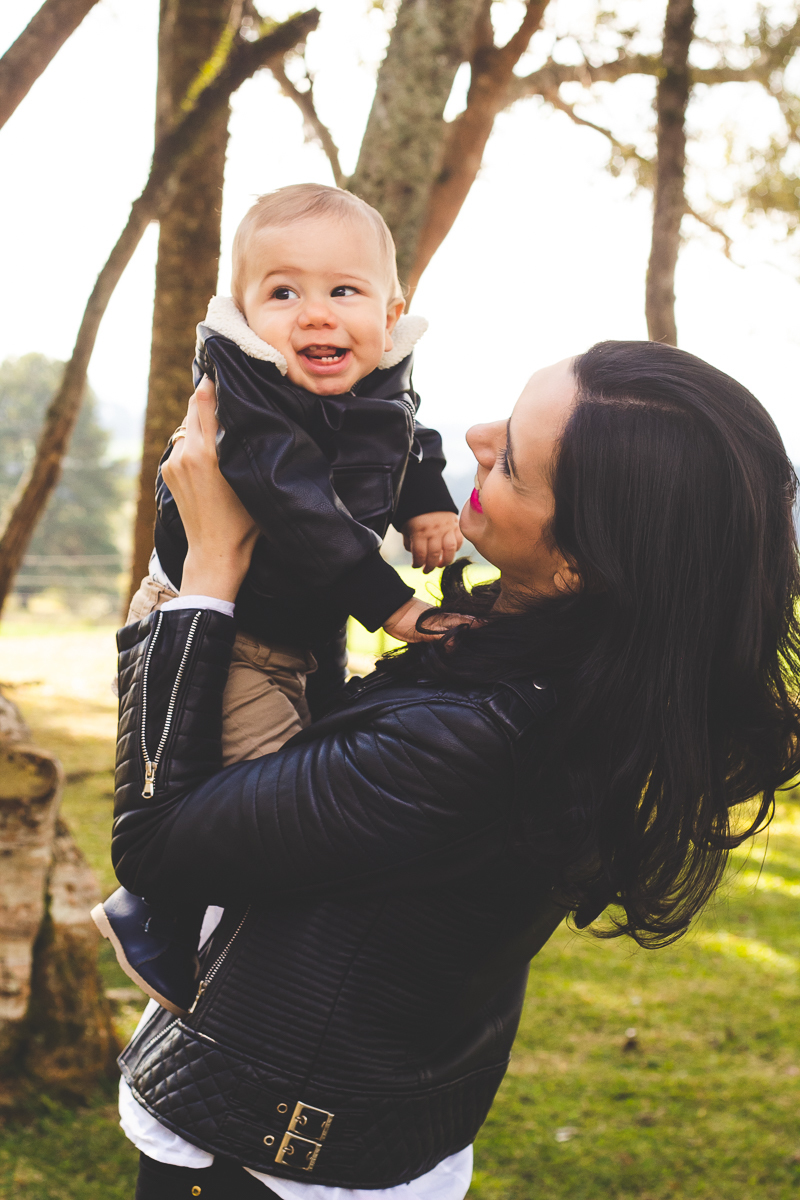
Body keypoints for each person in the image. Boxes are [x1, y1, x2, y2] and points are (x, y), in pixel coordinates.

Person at [113, 341, 800, 1199]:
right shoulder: (593, 689)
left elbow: (157, 841)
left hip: (264, 1159)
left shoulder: (474, 739)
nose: (474, 437)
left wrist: (207, 571)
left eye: (510, 457)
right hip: (371, 1126)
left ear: (584, 561)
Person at [93, 184, 464, 1015]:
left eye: (344, 291)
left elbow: (407, 431)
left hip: (297, 630)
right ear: (242, 310)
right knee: (259, 801)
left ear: (390, 306)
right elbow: (288, 495)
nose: (317, 315)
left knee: (302, 773)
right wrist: (393, 604)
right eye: (284, 292)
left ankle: (225, 934)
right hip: (220, 630)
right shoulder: (251, 390)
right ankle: (158, 911)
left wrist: (427, 501)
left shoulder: (382, 371)